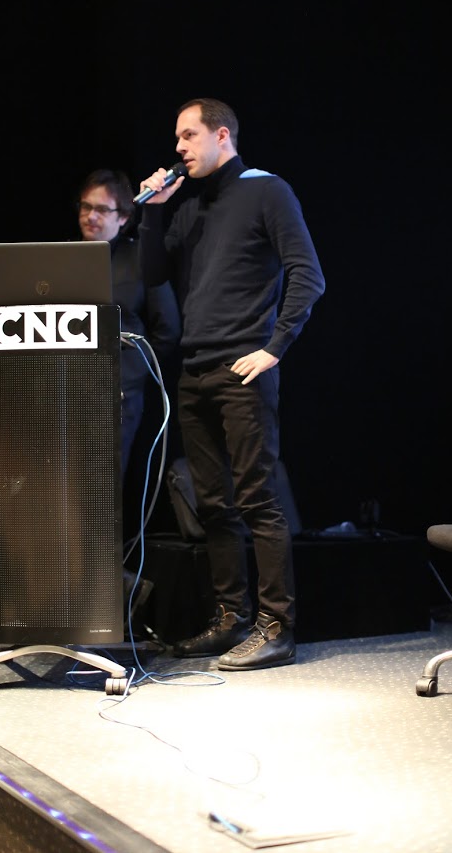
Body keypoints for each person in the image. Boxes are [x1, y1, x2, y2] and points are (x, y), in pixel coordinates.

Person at [137, 98, 325, 671]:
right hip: (194, 372)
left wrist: (274, 348)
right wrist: (153, 213)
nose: (178, 147)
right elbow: (151, 274)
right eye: (177, 138)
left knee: (257, 499)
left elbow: (308, 275)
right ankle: (230, 619)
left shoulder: (267, 190)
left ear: (222, 136)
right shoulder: (190, 207)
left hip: (243, 369)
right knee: (214, 507)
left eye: (188, 135)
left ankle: (276, 628)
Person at [75, 169, 181, 629]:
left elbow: (167, 330)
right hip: (67, 392)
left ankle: (105, 604)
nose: (91, 216)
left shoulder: (139, 260)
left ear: (124, 217)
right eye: (85, 207)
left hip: (119, 393)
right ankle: (76, 597)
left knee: (101, 494)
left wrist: (133, 371)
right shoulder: (66, 261)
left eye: (102, 209)